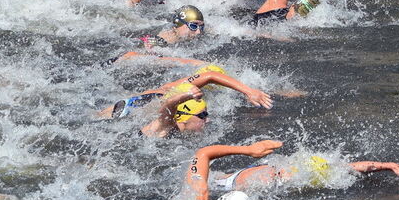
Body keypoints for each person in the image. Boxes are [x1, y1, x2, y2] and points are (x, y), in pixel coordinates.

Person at [145, 138, 399, 200]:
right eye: (283, 172)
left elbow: (357, 167)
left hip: (227, 184)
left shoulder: (308, 174)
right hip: (224, 183)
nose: (286, 172)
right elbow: (202, 154)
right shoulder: (200, 189)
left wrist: (390, 165)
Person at [100, 66, 274, 138]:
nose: (209, 119)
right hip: (129, 109)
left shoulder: (179, 92)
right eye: (203, 115)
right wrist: (249, 91)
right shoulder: (172, 107)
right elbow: (210, 75)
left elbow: (210, 75)